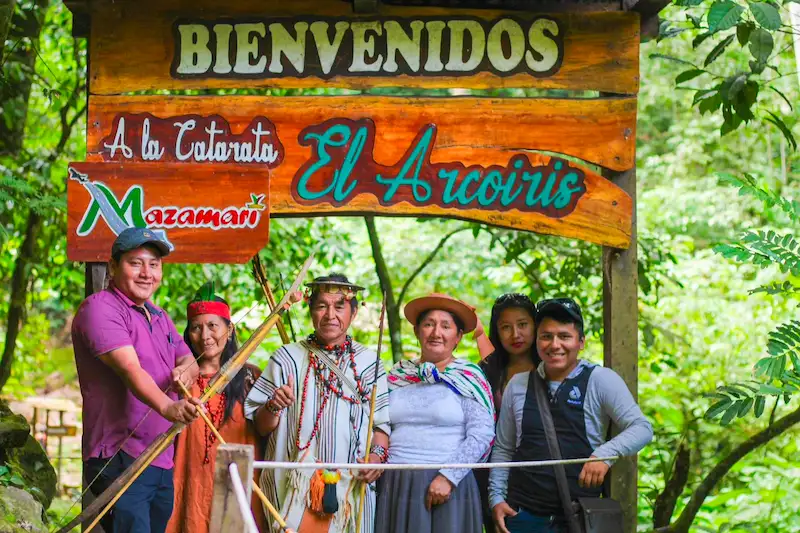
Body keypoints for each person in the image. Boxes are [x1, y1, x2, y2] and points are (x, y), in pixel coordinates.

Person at [72, 227, 202, 533]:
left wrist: (185, 370)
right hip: (120, 455)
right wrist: (169, 408)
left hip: (159, 454)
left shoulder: (159, 316)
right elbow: (130, 370)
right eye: (136, 263)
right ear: (114, 266)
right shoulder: (100, 308)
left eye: (154, 264)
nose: (147, 273)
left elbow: (189, 359)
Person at [489, 298, 653, 533]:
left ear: (581, 342)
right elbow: (504, 448)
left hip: (578, 516)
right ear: (537, 341)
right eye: (546, 336)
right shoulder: (518, 385)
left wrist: (604, 455)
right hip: (523, 514)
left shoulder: (600, 379)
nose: (555, 344)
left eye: (564, 336)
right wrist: (496, 498)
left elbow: (642, 428)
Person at [244, 273, 389, 533]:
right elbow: (260, 427)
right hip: (292, 488)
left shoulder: (369, 364)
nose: (330, 315)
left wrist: (376, 459)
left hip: (351, 487)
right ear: (311, 310)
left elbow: (381, 426)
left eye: (339, 306)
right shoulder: (286, 359)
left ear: (353, 313)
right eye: (322, 306)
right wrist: (274, 405)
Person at [374, 293, 495, 533]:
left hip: (448, 486)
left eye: (446, 326)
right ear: (417, 330)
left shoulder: (468, 377)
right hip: (396, 483)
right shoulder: (397, 375)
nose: (436, 332)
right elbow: (380, 423)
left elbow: (482, 433)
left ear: (458, 336)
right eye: (428, 324)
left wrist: (448, 476)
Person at [166, 282, 267, 533]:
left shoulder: (251, 377)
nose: (205, 336)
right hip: (190, 480)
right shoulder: (180, 380)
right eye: (196, 328)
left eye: (213, 326)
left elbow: (267, 429)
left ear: (229, 329)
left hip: (238, 482)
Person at [475, 293, 540, 533]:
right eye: (506, 327)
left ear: (535, 324)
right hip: (494, 469)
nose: (515, 334)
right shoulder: (486, 371)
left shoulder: (552, 365)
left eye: (522, 325)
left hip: (540, 471)